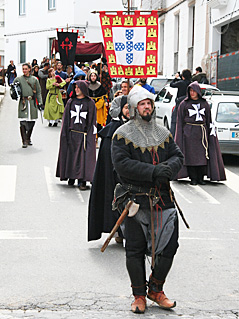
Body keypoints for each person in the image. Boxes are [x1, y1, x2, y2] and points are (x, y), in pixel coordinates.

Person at [111, 85, 184, 314]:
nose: (147, 107)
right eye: (142, 104)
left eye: (149, 103)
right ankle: (139, 296)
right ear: (133, 108)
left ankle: (156, 288)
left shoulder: (162, 131)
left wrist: (166, 169)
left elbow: (177, 156)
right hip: (134, 198)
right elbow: (122, 165)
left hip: (162, 197)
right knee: (134, 249)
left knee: (170, 245)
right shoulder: (122, 134)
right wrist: (152, 172)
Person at [88, 96, 130, 242]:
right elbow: (107, 158)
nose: (129, 111)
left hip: (132, 173)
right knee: (115, 199)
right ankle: (117, 231)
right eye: (126, 108)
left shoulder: (138, 126)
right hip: (115, 174)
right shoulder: (112, 131)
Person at [175, 81, 226, 185]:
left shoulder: (204, 104)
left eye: (194, 91)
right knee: (190, 156)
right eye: (190, 91)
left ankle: (201, 178)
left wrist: (211, 134)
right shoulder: (184, 104)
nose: (192, 93)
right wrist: (180, 136)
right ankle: (193, 178)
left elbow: (209, 120)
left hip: (202, 134)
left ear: (198, 91)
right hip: (188, 134)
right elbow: (180, 121)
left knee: (203, 157)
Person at [56, 80, 97, 190]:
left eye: (78, 87)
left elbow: (92, 121)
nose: (76, 89)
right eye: (75, 87)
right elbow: (66, 120)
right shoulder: (71, 102)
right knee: (71, 156)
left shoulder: (90, 103)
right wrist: (65, 134)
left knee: (83, 158)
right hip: (71, 134)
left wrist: (90, 136)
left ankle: (82, 180)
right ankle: (71, 177)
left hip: (83, 135)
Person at [13, 63, 42, 148]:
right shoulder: (19, 79)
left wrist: (40, 103)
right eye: (23, 69)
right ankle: (24, 141)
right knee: (23, 121)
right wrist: (14, 93)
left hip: (32, 103)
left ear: (29, 69)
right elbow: (13, 87)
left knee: (32, 121)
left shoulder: (34, 79)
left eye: (26, 69)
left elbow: (39, 92)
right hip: (23, 102)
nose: (24, 70)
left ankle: (28, 138)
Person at [170, 69, 192, 137]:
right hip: (190, 105)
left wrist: (176, 78)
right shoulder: (192, 83)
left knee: (175, 121)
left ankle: (173, 137)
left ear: (183, 76)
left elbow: (172, 84)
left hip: (179, 103)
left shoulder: (181, 83)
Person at [87, 69, 107, 133]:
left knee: (98, 123)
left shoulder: (100, 86)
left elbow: (104, 95)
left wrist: (106, 101)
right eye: (92, 76)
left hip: (99, 107)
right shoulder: (87, 85)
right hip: (89, 106)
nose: (93, 77)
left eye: (94, 76)